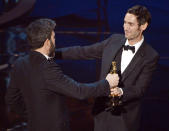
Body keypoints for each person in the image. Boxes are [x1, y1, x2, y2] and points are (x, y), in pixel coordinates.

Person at [55, 5, 159, 131]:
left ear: (143, 26)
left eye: (130, 24)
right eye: (124, 22)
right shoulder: (114, 40)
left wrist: (121, 92)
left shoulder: (150, 55)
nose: (125, 27)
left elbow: (140, 89)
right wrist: (54, 53)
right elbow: (84, 51)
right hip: (101, 114)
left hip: (124, 120)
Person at [5, 19, 120, 131]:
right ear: (47, 42)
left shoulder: (20, 63)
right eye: (54, 38)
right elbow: (79, 92)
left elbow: (11, 99)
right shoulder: (48, 68)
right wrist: (107, 83)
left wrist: (33, 114)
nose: (55, 41)